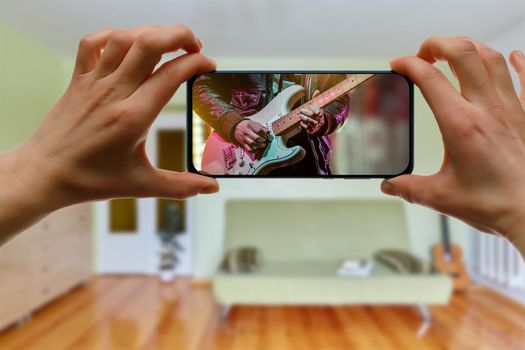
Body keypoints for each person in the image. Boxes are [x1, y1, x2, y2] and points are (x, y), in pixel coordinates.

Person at [0, 26, 524, 257]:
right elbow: (204, 94)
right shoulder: (226, 85)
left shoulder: (316, 88)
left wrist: (329, 118)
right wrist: (233, 126)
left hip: (307, 156)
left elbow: (337, 103)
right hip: (239, 151)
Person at [192, 73, 351, 175]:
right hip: (245, 153)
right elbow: (198, 87)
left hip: (309, 164)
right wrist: (233, 123)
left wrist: (323, 120)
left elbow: (340, 99)